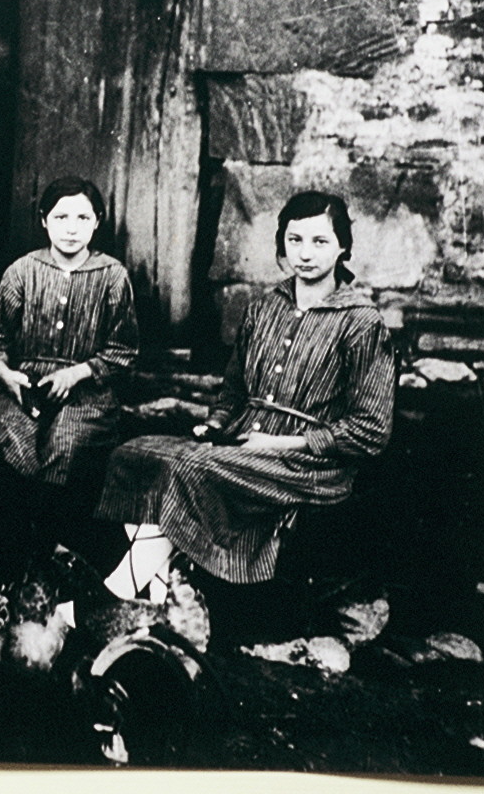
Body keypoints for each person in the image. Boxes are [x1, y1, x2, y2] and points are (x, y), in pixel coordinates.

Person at [93, 191, 395, 606]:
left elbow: (371, 430)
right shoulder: (263, 308)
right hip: (243, 442)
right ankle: (160, 599)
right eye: (295, 240)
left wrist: (280, 443)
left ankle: (106, 600)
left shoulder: (362, 323)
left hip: (308, 464)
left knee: (188, 468)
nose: (305, 254)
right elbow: (233, 391)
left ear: (343, 246)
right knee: (134, 454)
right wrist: (215, 424)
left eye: (320, 241)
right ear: (282, 243)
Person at [0, 176, 139, 569]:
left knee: (65, 446)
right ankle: (8, 558)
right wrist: (5, 373)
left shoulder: (112, 276)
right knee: (14, 440)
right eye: (61, 217)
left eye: (82, 218)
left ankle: (52, 557)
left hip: (87, 390)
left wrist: (77, 373)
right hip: (23, 386)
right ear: (44, 220)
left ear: (97, 222)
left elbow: (123, 351)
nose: (71, 228)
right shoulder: (21, 271)